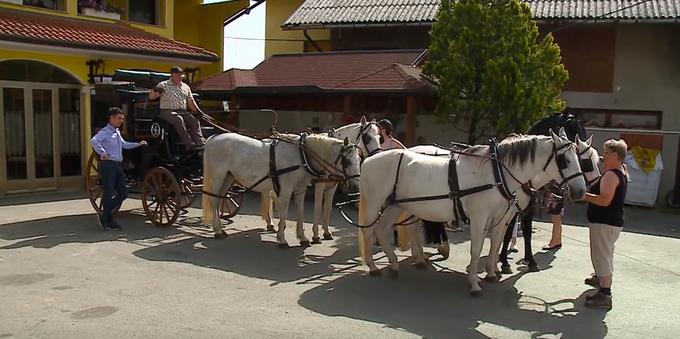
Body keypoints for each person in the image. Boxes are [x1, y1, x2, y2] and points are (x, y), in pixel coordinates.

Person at [582, 139, 628, 310]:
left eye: (607, 153)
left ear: (616, 155)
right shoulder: (619, 171)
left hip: (604, 222)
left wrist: (584, 196)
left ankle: (605, 294)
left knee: (601, 256)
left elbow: (604, 200)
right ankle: (602, 283)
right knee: (605, 255)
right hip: (609, 222)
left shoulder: (611, 175)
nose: (603, 156)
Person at [90, 107, 147, 231]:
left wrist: (138, 144)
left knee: (123, 193)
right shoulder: (105, 131)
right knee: (109, 192)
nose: (121, 121)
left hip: (117, 165)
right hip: (108, 165)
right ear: (111, 118)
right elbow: (94, 140)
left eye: (122, 119)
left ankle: (105, 213)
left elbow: (124, 144)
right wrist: (103, 153)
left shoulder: (117, 132)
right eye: (119, 118)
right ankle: (107, 219)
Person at [148, 66, 205, 152]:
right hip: (167, 111)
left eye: (181, 75)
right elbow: (151, 97)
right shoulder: (163, 85)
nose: (180, 77)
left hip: (182, 111)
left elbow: (191, 101)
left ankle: (200, 143)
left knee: (194, 121)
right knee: (178, 119)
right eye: (177, 75)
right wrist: (154, 91)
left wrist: (198, 111)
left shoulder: (186, 87)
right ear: (172, 75)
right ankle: (189, 145)